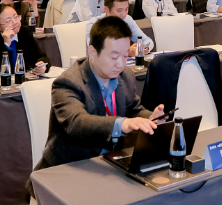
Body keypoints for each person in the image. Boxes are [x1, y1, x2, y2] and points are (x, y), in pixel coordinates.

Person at [29, 16, 166, 196]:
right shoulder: (68, 82)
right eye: (114, 56)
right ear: (92, 52)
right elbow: (77, 123)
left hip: (111, 163)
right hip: (69, 169)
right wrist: (121, 124)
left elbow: (134, 109)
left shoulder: (125, 75)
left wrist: (150, 118)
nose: (121, 63)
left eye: (125, 55)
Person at [0, 3, 49, 77]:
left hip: (25, 80)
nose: (15, 22)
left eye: (16, 17)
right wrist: (6, 45)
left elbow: (40, 55)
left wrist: (42, 65)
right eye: (8, 21)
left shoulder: (25, 32)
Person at [86, 0, 154, 56]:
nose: (124, 14)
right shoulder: (94, 24)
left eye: (126, 9)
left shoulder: (127, 19)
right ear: (107, 10)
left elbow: (147, 40)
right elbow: (97, 51)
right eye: (119, 10)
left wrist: (144, 48)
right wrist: (125, 52)